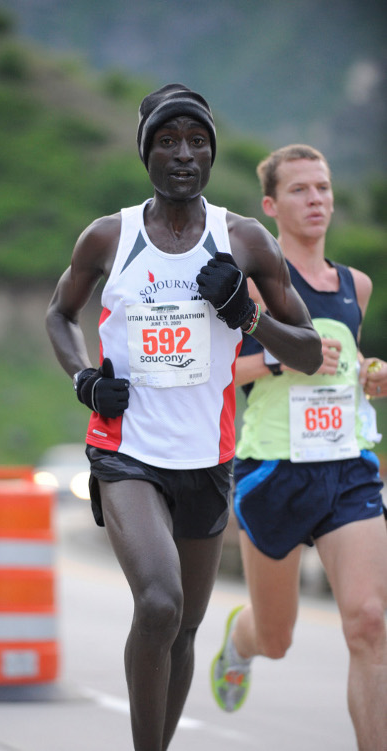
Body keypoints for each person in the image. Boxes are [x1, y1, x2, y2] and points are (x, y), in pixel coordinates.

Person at [45, 85, 322, 751]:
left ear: (211, 151)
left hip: (207, 460)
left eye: (196, 140)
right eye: (167, 140)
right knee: (160, 604)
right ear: (146, 151)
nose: (183, 153)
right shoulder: (110, 236)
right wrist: (84, 379)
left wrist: (246, 314)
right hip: (127, 454)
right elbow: (60, 313)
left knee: (189, 626)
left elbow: (310, 351)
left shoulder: (245, 241)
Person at [210, 144, 387, 751]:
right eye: (301, 190)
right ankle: (241, 642)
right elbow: (217, 372)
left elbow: (346, 360)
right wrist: (285, 361)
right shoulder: (255, 287)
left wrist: (371, 375)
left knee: (369, 624)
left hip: (349, 467)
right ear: (271, 205)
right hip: (274, 471)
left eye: (324, 187)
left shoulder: (355, 286)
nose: (317, 200)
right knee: (277, 638)